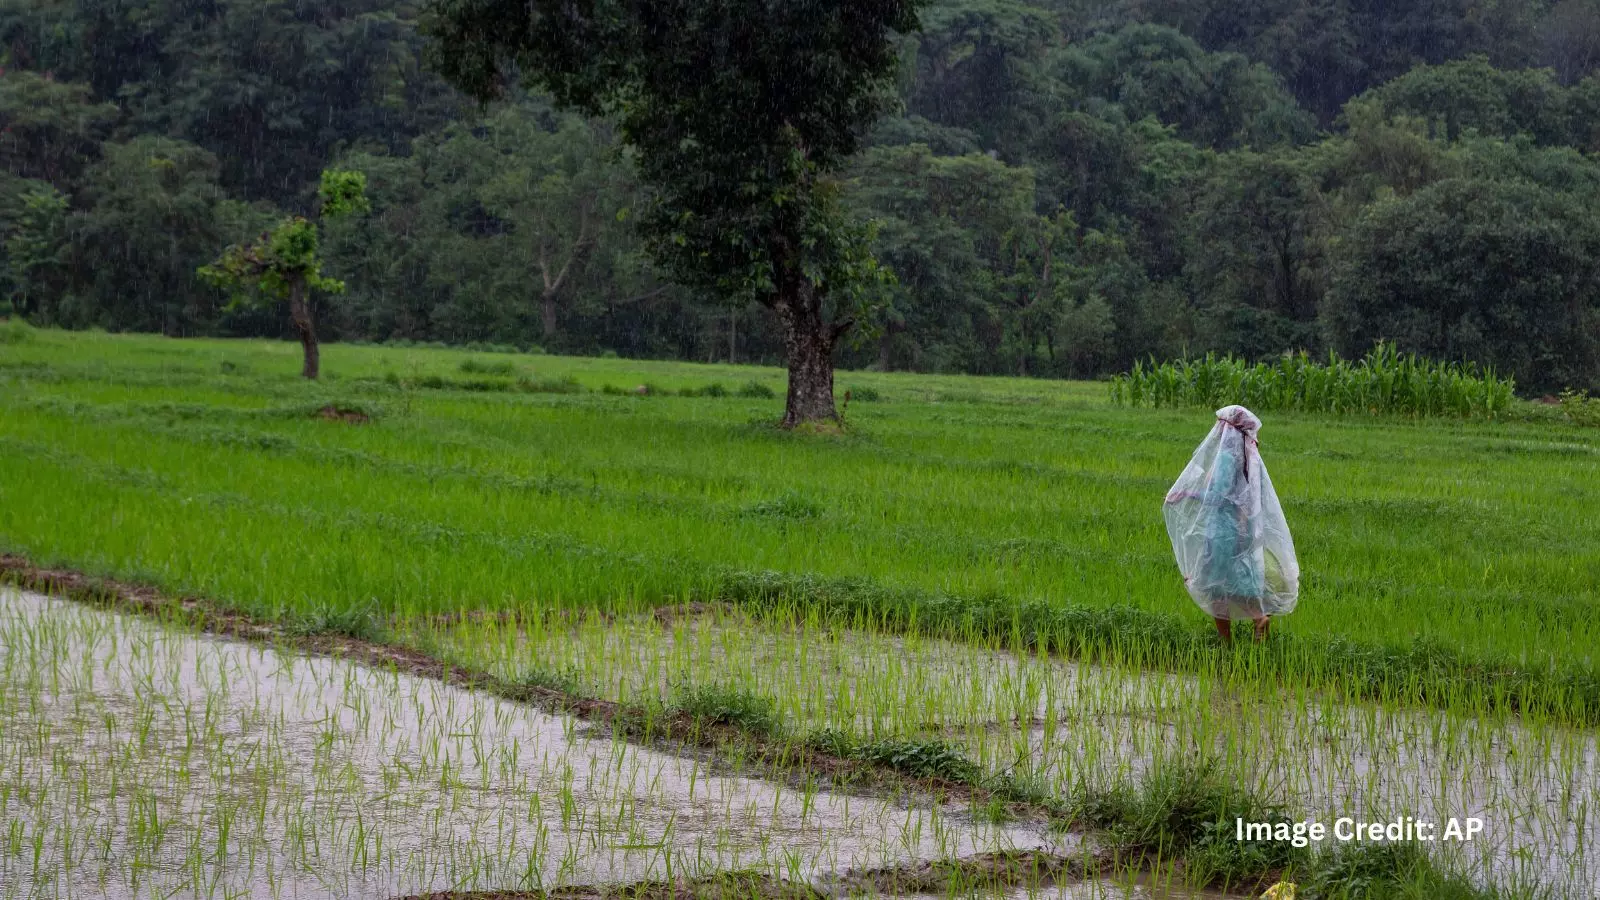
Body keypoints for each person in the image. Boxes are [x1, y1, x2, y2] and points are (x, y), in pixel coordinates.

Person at [1163, 405, 1298, 645]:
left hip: (1222, 531)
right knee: (1236, 583)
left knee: (1214, 587)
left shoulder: (1225, 457)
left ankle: (1227, 641)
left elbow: (1218, 493)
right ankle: (1257, 618)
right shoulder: (1249, 456)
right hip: (1243, 529)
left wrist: (1186, 493)